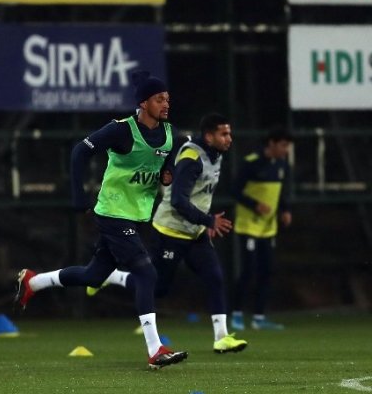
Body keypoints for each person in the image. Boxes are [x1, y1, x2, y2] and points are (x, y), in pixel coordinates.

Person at [15, 71, 188, 370]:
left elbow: (175, 154)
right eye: (159, 99)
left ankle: (33, 281)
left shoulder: (171, 134)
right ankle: (155, 349)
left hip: (136, 215)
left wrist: (167, 170)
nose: (166, 104)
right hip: (112, 213)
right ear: (143, 103)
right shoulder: (121, 130)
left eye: (167, 99)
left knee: (93, 276)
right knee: (146, 273)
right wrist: (78, 196)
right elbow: (79, 152)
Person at [87, 113, 248, 353]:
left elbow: (199, 195)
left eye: (229, 133)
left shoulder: (216, 155)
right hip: (169, 231)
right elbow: (178, 201)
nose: (229, 138)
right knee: (158, 288)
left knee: (215, 277)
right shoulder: (192, 158)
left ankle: (221, 338)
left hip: (195, 232)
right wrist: (208, 220)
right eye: (224, 134)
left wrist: (203, 223)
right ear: (209, 136)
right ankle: (112, 277)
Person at [230, 128, 293, 331]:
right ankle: (236, 314)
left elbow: (281, 192)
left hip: (268, 227)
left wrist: (285, 210)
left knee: (266, 271)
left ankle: (259, 317)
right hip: (248, 225)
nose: (286, 150)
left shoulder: (282, 165)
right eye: (283, 145)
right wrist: (255, 205)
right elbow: (235, 190)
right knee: (248, 270)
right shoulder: (252, 162)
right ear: (271, 143)